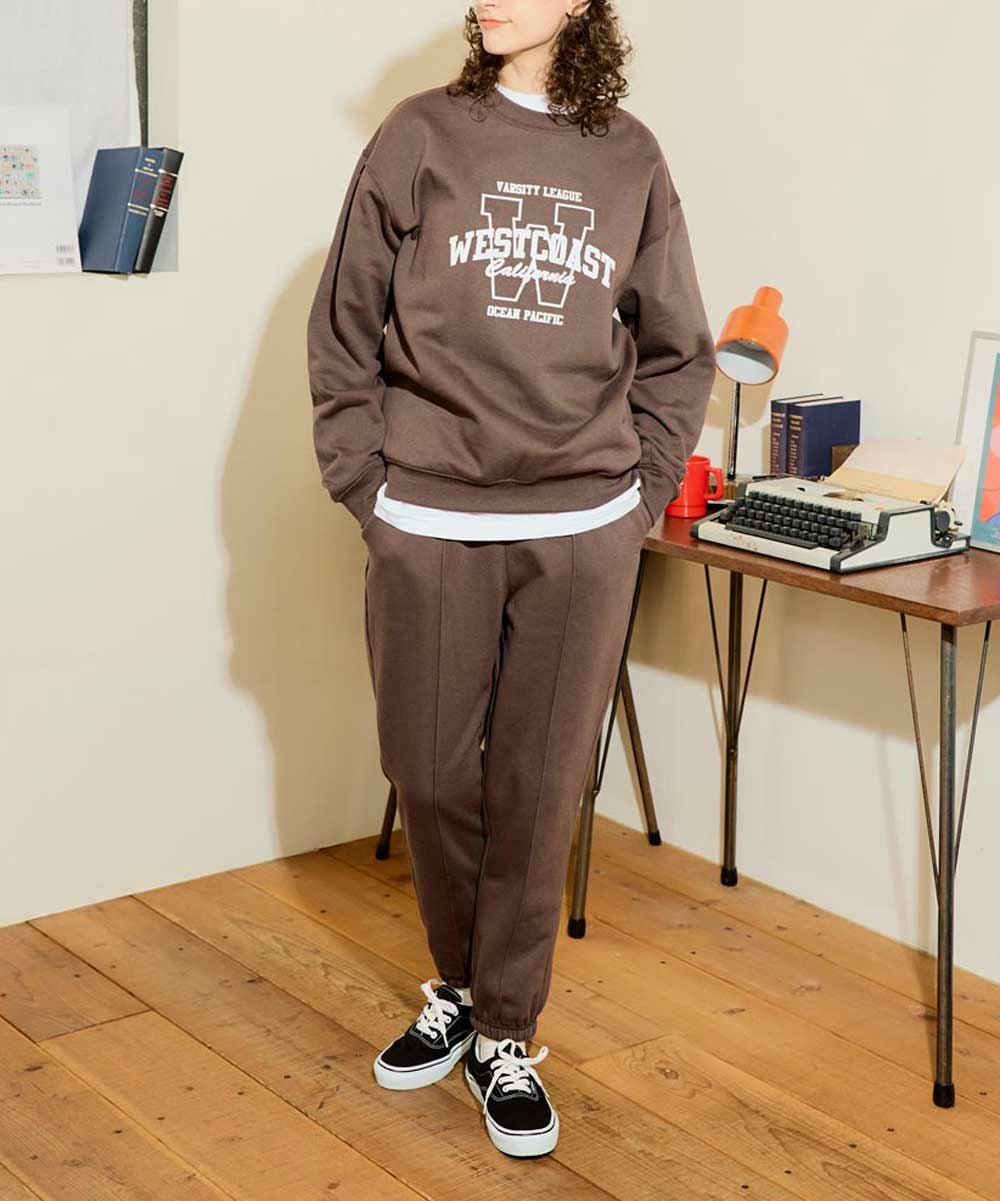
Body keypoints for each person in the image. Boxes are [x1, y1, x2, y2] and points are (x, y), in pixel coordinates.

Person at [306, 0, 716, 1159]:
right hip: (429, 513)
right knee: (430, 772)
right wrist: (368, 488)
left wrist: (635, 500)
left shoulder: (630, 158)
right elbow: (343, 325)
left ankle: (503, 1029)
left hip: (581, 523)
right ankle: (457, 979)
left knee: (540, 789)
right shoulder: (418, 133)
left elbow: (677, 348)